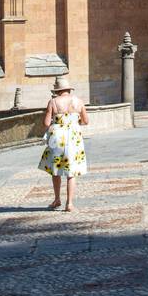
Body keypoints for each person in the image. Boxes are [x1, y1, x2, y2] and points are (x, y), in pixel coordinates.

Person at [39, 74, 88, 211]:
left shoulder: (53, 102)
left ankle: (57, 199)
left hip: (57, 138)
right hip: (73, 137)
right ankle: (70, 204)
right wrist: (74, 121)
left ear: (57, 91)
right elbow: (85, 121)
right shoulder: (79, 101)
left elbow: (46, 123)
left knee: (56, 170)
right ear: (69, 89)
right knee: (71, 172)